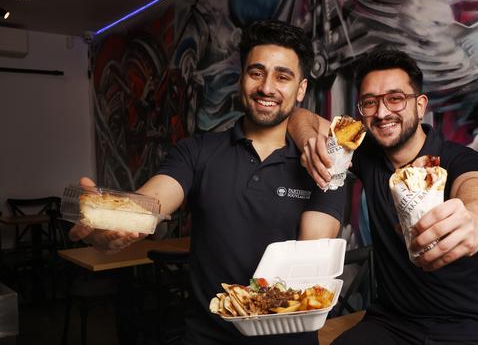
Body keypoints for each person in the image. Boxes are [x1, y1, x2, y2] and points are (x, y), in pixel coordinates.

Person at [69, 20, 345, 345]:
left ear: (301, 89)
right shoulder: (197, 151)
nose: (267, 87)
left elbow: (311, 254)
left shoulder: (323, 164)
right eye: (256, 72)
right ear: (242, 78)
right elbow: (152, 201)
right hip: (207, 336)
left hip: (288, 339)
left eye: (283, 76)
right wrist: (113, 221)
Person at [290, 48, 478, 344]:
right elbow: (301, 115)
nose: (382, 112)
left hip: (461, 325)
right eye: (370, 102)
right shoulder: (366, 153)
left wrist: (474, 220)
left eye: (396, 98)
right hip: (390, 322)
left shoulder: (460, 160)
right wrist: (311, 143)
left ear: (420, 105)